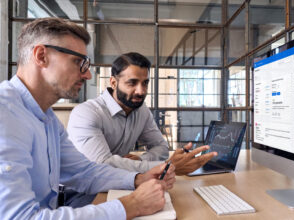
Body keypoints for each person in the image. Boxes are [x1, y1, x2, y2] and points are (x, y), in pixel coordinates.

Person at [0, 17, 176, 220]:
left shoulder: (46, 117)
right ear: (41, 55)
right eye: (78, 62)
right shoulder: (0, 114)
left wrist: (138, 179)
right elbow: (18, 218)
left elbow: (84, 172)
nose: (88, 75)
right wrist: (131, 205)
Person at [67, 52, 217, 175]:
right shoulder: (86, 113)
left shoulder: (141, 110)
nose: (141, 91)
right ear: (113, 83)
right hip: (82, 195)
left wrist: (139, 161)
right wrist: (166, 166)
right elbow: (102, 165)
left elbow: (161, 146)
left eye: (145, 83)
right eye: (132, 83)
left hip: (120, 184)